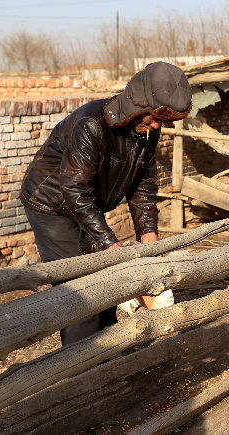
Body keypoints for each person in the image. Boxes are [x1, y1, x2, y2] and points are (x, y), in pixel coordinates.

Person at [20, 61, 192, 345]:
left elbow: (143, 185)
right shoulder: (91, 124)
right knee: (79, 289)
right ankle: (80, 369)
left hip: (87, 204)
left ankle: (107, 352)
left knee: (107, 279)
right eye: (152, 117)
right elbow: (74, 187)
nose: (157, 125)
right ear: (136, 105)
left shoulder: (148, 130)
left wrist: (148, 233)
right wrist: (110, 245)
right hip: (52, 204)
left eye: (163, 121)